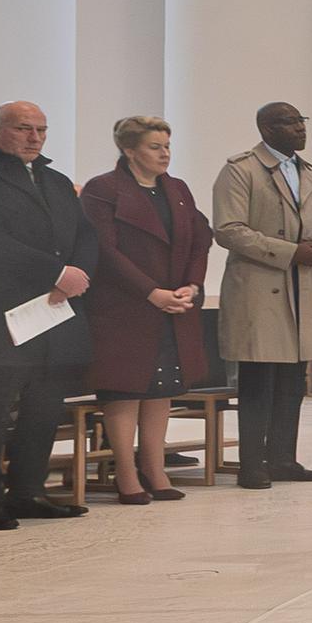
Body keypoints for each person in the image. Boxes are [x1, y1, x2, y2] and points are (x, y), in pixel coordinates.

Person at [0, 101, 98, 527]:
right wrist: (55, 272)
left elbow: (85, 234)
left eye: (41, 130)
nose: (35, 138)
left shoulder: (55, 179)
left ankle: (28, 491)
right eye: (23, 129)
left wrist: (76, 273)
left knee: (44, 407)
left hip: (54, 311)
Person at [79, 117, 211, 507]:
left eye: (167, 145)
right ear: (130, 149)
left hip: (174, 302)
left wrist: (193, 285)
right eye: (155, 146)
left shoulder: (178, 189)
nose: (165, 153)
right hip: (124, 306)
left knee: (161, 389)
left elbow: (201, 239)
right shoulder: (103, 190)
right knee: (126, 389)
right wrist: (150, 292)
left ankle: (155, 468)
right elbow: (105, 250)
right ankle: (126, 472)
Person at [212, 100, 312, 489]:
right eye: (289, 122)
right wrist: (288, 252)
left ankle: (283, 459)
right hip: (259, 287)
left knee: (291, 381)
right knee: (259, 382)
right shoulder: (241, 170)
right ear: (266, 129)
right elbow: (228, 229)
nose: (299, 128)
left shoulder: (308, 173)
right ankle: (252, 464)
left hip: (302, 286)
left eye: (301, 121)